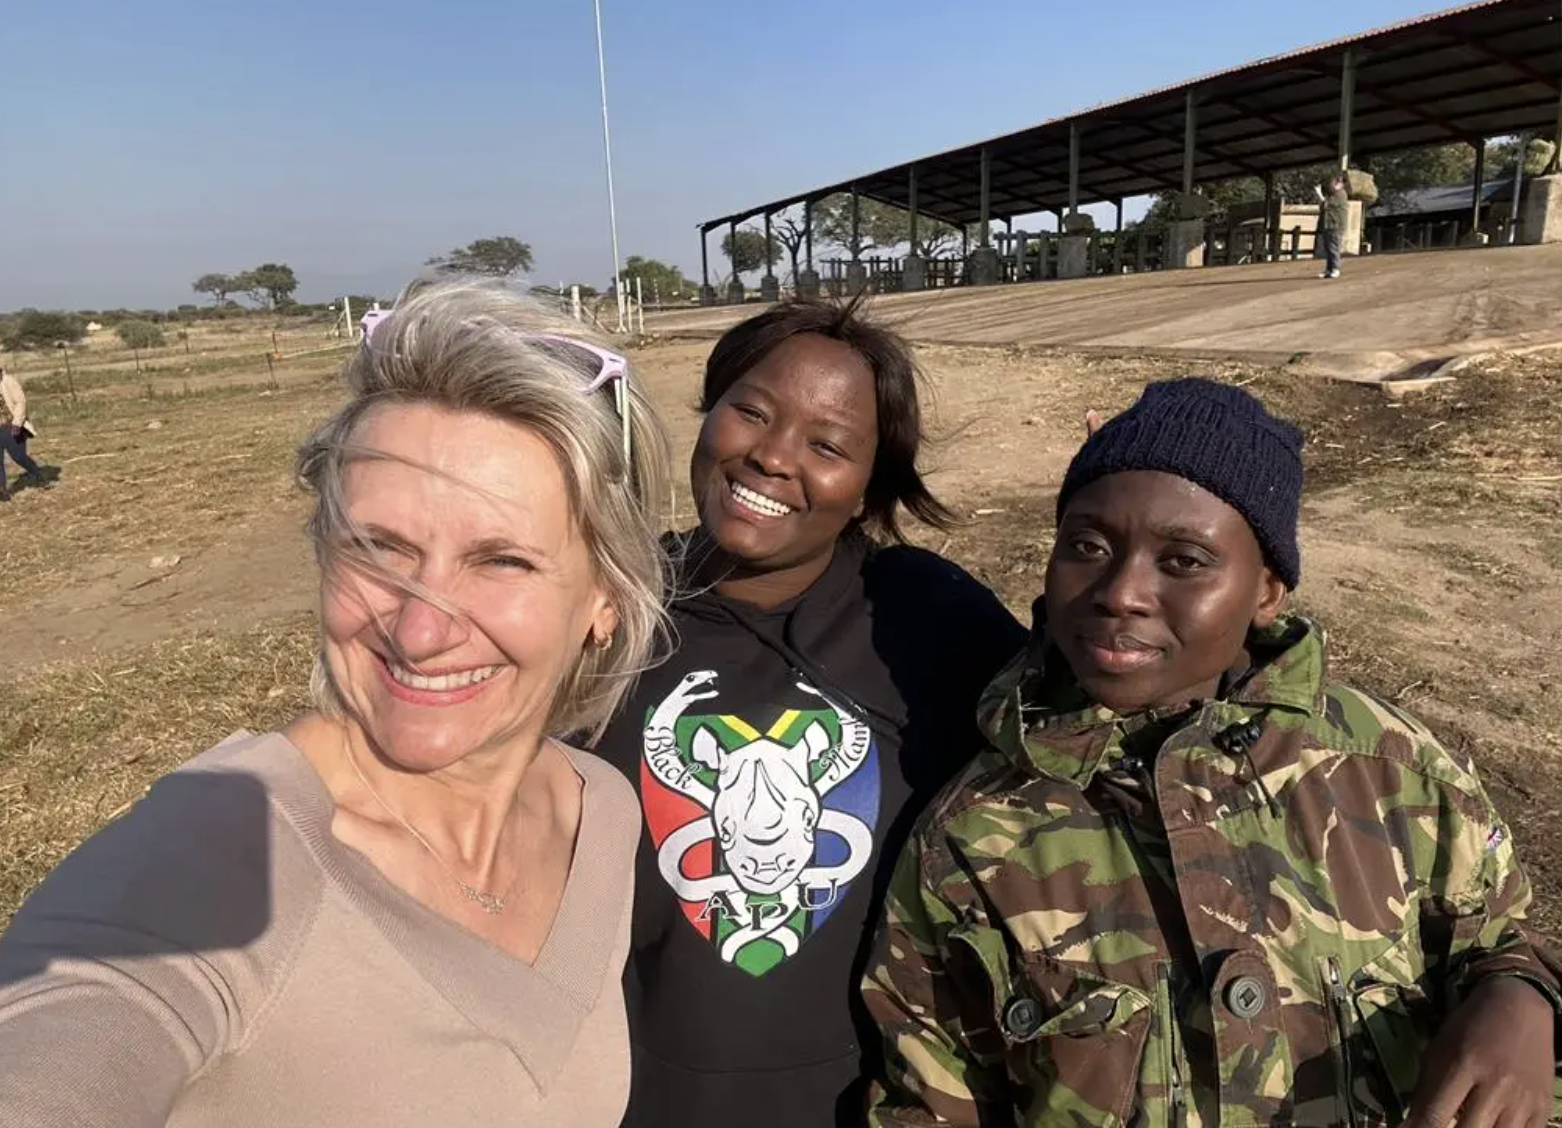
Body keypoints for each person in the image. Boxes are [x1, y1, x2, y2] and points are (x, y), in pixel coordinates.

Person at [0, 279, 673, 1127]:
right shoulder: (218, 851)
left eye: (502, 560)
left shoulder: (599, 810)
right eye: (378, 548)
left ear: (605, 597)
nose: (421, 630)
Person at [865, 378, 1562, 1128]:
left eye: (1184, 560)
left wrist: (1520, 996)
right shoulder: (971, 840)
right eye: (1087, 546)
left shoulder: (1392, 769)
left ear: (1267, 591)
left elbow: (1499, 939)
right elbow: (927, 1101)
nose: (1121, 592)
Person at [596, 296, 1027, 1128]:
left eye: (827, 445)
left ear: (869, 488)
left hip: (865, 1103)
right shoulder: (610, 609)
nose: (772, 456)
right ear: (709, 412)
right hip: (638, 1099)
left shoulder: (926, 618)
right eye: (751, 412)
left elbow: (1084, 724)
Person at [0, 363, 45, 502]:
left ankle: (35, 472)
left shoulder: (8, 381)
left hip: (12, 425)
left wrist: (17, 423)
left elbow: (21, 402)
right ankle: (2, 491)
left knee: (19, 456)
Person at [1317, 172, 1349, 279]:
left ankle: (1335, 269)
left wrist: (1319, 194)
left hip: (1336, 225)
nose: (1333, 184)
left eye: (1336, 182)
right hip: (1328, 224)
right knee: (1328, 248)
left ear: (1342, 184)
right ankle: (1329, 269)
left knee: (1333, 248)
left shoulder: (1341, 194)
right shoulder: (1332, 195)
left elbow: (1327, 204)